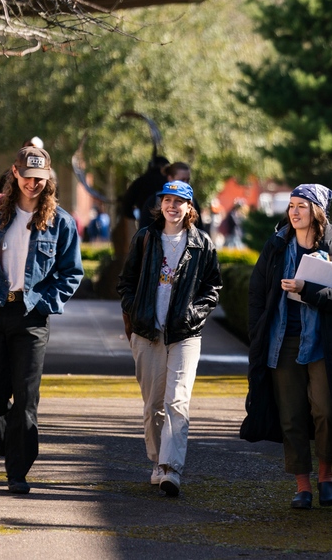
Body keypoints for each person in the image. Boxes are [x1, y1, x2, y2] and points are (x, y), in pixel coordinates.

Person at [0, 145, 84, 494]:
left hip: (31, 316)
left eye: (41, 179)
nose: (34, 185)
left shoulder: (60, 221)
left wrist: (46, 303)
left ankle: (17, 471)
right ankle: (9, 433)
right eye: (29, 177)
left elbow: (70, 273)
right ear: (15, 173)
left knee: (26, 397)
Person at [242, 184, 332, 510]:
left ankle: (326, 476)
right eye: (291, 206)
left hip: (323, 341)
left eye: (301, 206)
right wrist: (257, 333)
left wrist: (307, 289)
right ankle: (302, 485)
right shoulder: (277, 246)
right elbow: (256, 294)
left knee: (325, 409)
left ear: (317, 211)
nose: (294, 212)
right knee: (290, 414)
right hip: (283, 341)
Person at [117, 180, 222, 497]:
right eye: (167, 200)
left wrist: (193, 315)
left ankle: (171, 468)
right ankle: (157, 461)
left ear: (190, 208)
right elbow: (127, 283)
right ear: (160, 205)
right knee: (153, 406)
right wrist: (134, 312)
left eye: (180, 201)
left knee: (177, 401)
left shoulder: (202, 244)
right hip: (148, 332)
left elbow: (212, 289)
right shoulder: (146, 238)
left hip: (185, 335)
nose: (172, 206)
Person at [139, 162, 203, 231]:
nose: (185, 183)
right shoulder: (154, 200)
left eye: (187, 180)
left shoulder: (192, 200)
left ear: (189, 207)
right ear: (170, 178)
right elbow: (144, 228)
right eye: (182, 180)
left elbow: (199, 228)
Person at [122, 155, 170, 227]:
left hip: (145, 223)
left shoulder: (140, 181)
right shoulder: (168, 182)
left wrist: (133, 217)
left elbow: (127, 203)